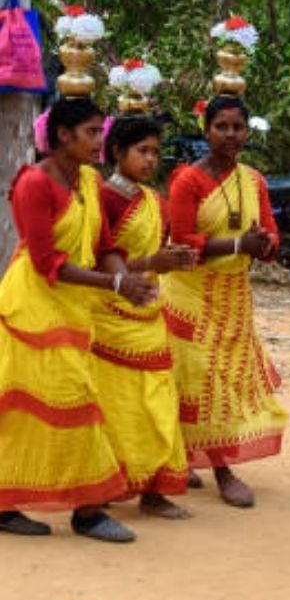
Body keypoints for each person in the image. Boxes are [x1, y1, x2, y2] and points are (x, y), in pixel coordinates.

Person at [0, 98, 156, 541]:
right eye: (90, 132)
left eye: (99, 131)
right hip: (34, 309)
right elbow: (50, 263)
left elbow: (106, 245)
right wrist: (117, 287)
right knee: (62, 402)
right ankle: (87, 511)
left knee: (55, 405)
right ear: (63, 136)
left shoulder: (88, 178)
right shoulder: (35, 183)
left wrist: (128, 280)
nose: (99, 141)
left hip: (75, 308)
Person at [161, 95, 287, 508]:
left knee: (226, 380)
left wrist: (266, 245)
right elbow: (181, 243)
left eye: (238, 127)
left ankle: (186, 455)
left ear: (247, 132)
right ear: (206, 130)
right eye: (222, 127)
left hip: (235, 298)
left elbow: (269, 234)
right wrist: (238, 242)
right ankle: (222, 469)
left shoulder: (254, 180)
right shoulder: (188, 181)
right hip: (191, 294)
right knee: (200, 379)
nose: (231, 135)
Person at [91, 115, 196, 519]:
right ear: (117, 153)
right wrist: (153, 261)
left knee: (157, 402)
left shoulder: (154, 201)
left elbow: (153, 261)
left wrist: (172, 262)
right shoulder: (103, 199)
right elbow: (96, 263)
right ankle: (103, 486)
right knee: (115, 407)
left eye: (155, 152)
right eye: (142, 151)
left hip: (149, 314)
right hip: (109, 316)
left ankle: (155, 488)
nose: (151, 160)